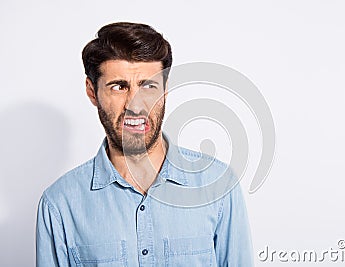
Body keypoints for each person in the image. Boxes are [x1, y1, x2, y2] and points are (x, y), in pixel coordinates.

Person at [36, 22, 254, 266]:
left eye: (148, 86)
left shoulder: (218, 187)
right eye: (119, 86)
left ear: (165, 90)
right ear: (92, 91)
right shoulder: (59, 204)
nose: (135, 105)